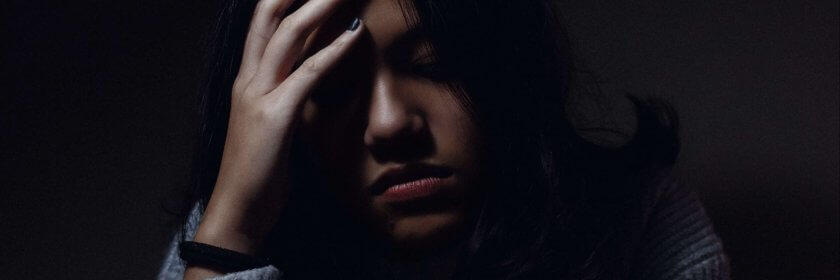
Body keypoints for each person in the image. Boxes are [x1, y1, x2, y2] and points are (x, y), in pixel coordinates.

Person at [157, 0, 730, 279]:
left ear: (509, 66)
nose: (389, 124)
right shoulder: (224, 243)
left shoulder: (638, 220)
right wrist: (229, 235)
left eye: (437, 64)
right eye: (329, 86)